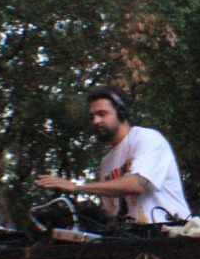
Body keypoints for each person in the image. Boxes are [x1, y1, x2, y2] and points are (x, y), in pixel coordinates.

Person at [35, 84, 190, 225]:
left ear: (121, 113)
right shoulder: (106, 163)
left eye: (102, 114)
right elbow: (111, 213)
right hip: (135, 237)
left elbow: (136, 184)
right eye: (92, 116)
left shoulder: (147, 138)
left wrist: (76, 187)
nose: (96, 121)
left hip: (173, 232)